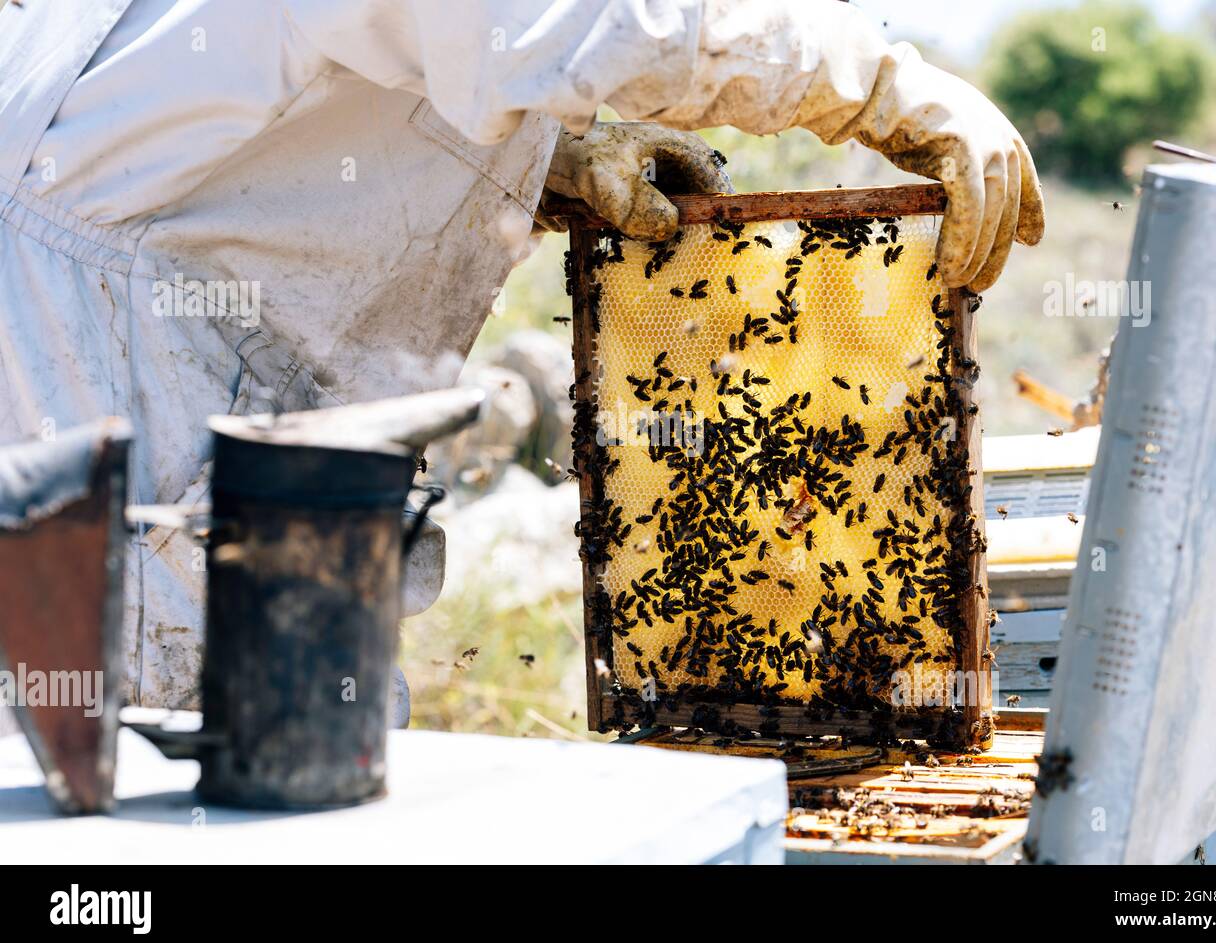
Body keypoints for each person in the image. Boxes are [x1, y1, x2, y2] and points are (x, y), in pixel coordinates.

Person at [0, 0, 1044, 711]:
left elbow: (307, 97)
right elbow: (566, 19)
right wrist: (877, 85)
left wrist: (552, 166)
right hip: (113, 374)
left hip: (158, 348)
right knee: (188, 793)